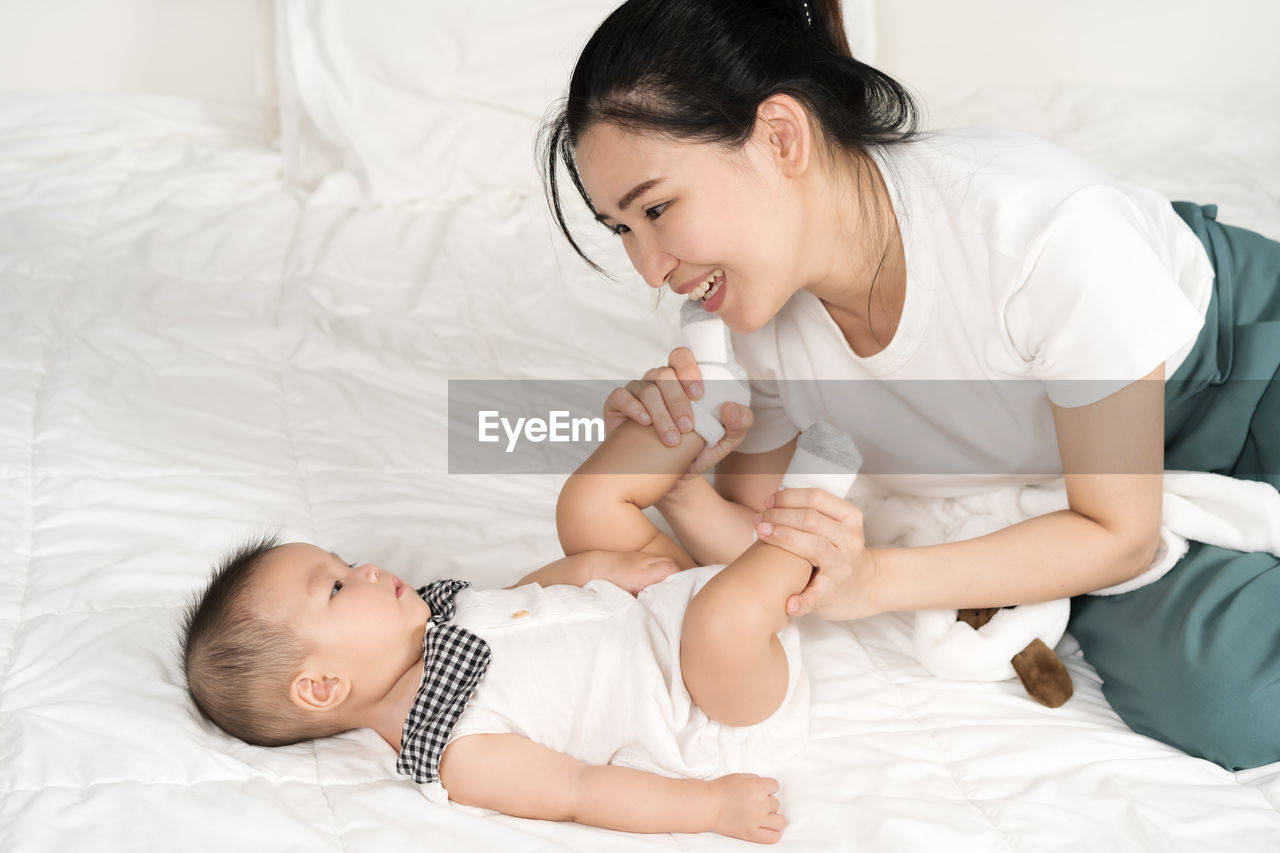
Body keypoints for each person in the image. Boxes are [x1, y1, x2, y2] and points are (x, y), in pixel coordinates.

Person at [539, 0, 1280, 770]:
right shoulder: (753, 321)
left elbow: (1120, 534)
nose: (651, 268)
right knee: (1234, 704)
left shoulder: (1036, 230)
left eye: (657, 209)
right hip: (1071, 492)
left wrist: (877, 581)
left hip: (1232, 368)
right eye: (623, 229)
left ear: (781, 137)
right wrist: (677, 480)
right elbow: (760, 536)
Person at [181, 391, 862, 844]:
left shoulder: (439, 620)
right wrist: (712, 808)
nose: (362, 569)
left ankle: (697, 424)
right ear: (322, 686)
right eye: (334, 587)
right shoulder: (456, 751)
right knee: (721, 619)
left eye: (343, 559)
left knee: (584, 511)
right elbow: (580, 790)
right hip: (709, 693)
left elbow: (529, 595)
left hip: (654, 604)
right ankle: (809, 515)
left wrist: (598, 568)